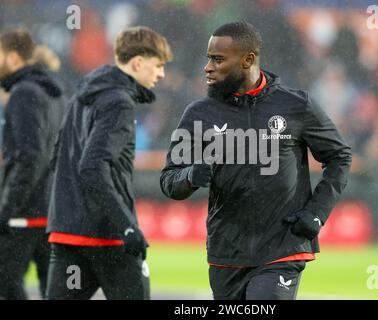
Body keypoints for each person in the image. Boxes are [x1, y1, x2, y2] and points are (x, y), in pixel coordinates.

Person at [160, 22, 352, 300]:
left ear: (248, 60)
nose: (207, 67)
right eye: (208, 58)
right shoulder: (199, 114)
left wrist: (317, 213)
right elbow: (169, 179)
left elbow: (339, 157)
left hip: (282, 248)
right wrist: (189, 176)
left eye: (217, 59)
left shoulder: (297, 106)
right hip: (226, 253)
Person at [46, 26, 172, 300]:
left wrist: (65, 211)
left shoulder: (81, 96)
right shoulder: (120, 102)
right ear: (138, 62)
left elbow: (57, 155)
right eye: (158, 65)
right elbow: (93, 166)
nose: (161, 74)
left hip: (67, 234)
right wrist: (126, 225)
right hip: (109, 237)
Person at [0, 28, 65, 299]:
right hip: (51, 208)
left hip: (24, 212)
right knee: (51, 288)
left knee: (5, 283)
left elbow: (30, 157)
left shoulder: (23, 93)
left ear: (14, 58)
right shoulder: (55, 94)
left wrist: (8, 208)